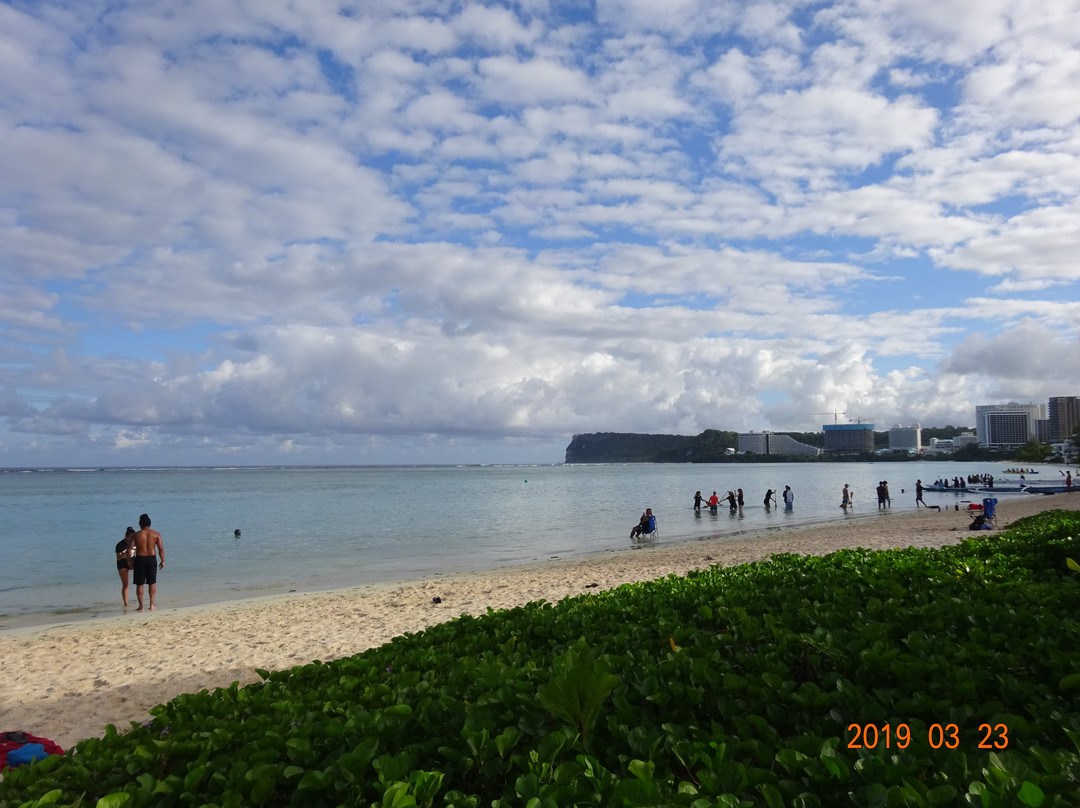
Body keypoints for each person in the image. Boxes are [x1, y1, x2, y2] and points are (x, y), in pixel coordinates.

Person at [132, 513, 164, 611]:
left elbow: (130, 549)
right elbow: (161, 549)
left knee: (139, 584)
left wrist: (130, 560)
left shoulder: (136, 535)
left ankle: (141, 606)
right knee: (152, 583)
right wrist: (163, 560)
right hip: (151, 558)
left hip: (140, 559)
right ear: (149, 524)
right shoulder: (156, 534)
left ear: (140, 524)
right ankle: (151, 604)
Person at [115, 526, 135, 607]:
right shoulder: (120, 545)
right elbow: (119, 558)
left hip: (132, 561)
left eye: (133, 538)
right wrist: (126, 552)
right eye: (130, 538)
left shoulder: (135, 542)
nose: (131, 540)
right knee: (126, 584)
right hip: (122, 563)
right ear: (126, 537)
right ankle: (126, 602)